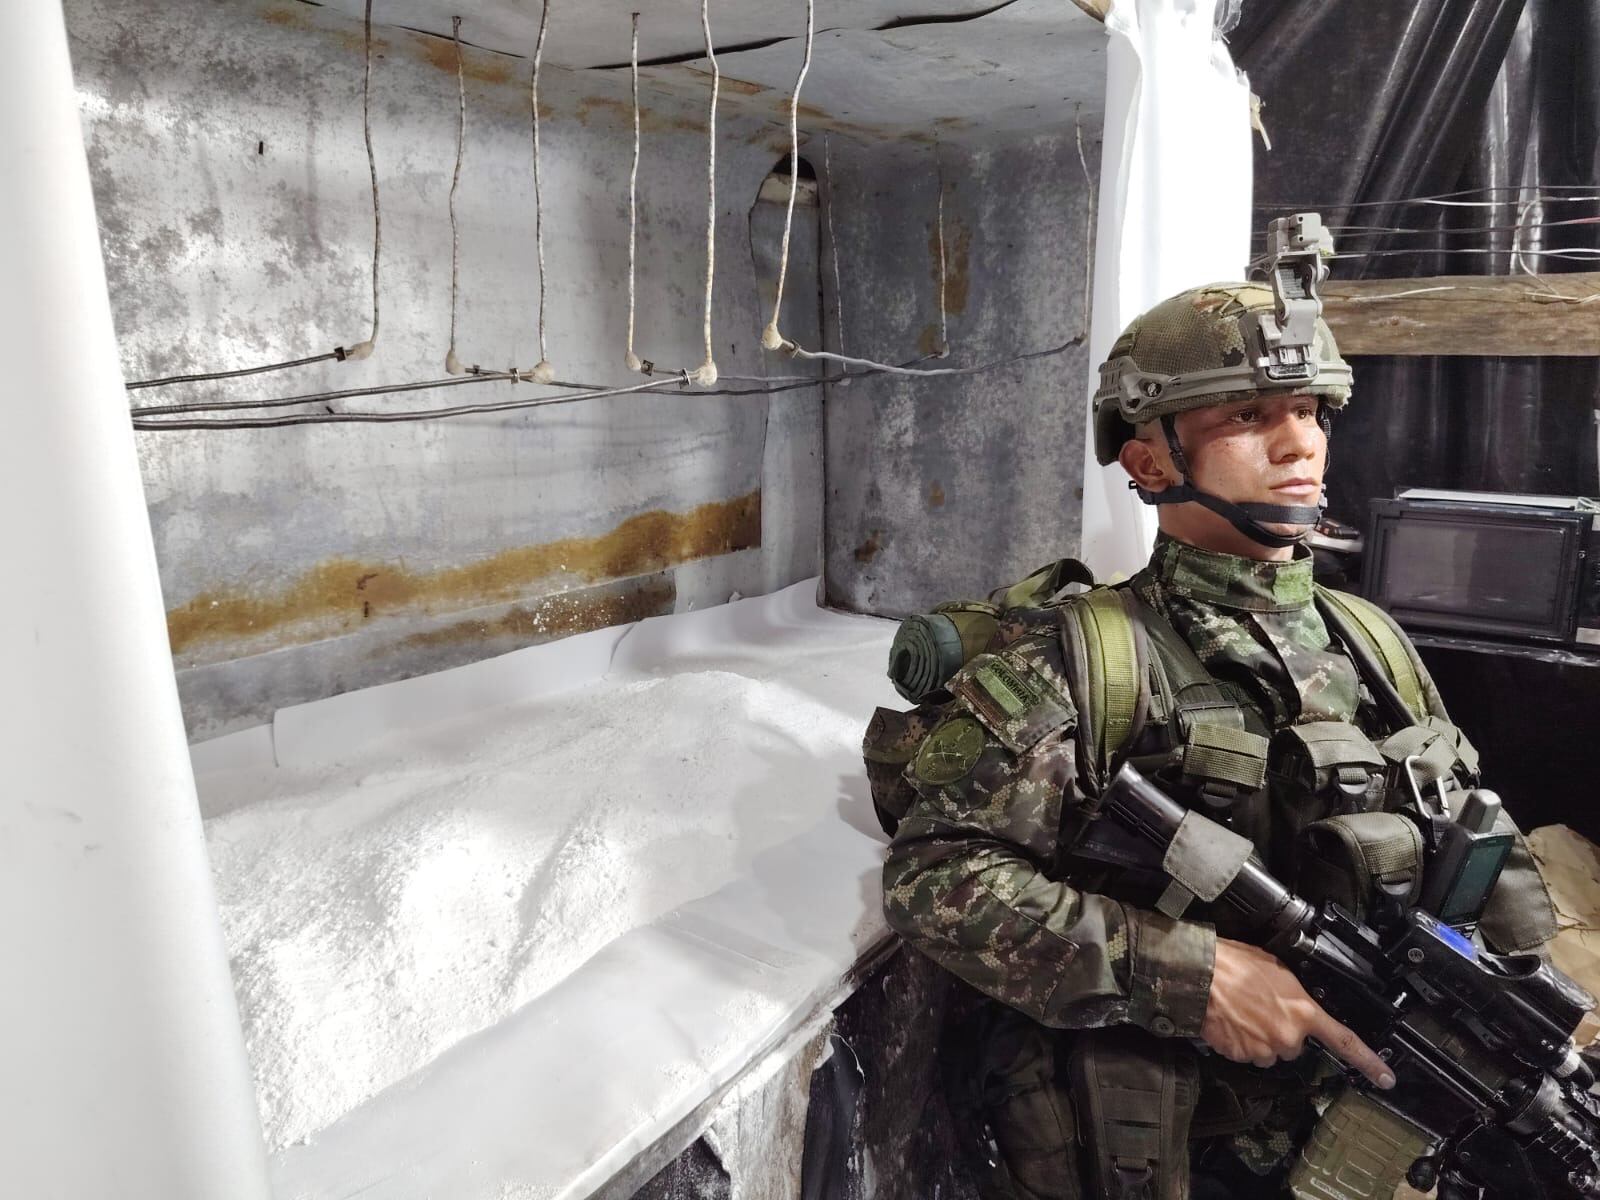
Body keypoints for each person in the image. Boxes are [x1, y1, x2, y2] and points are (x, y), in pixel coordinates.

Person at [874, 243, 1558, 1200]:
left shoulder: (1371, 641)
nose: (1299, 443)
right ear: (1151, 459)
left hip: (1364, 1119)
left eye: (1310, 410)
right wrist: (1188, 975)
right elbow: (936, 877)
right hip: (1173, 1145)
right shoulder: (1090, 657)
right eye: (1248, 415)